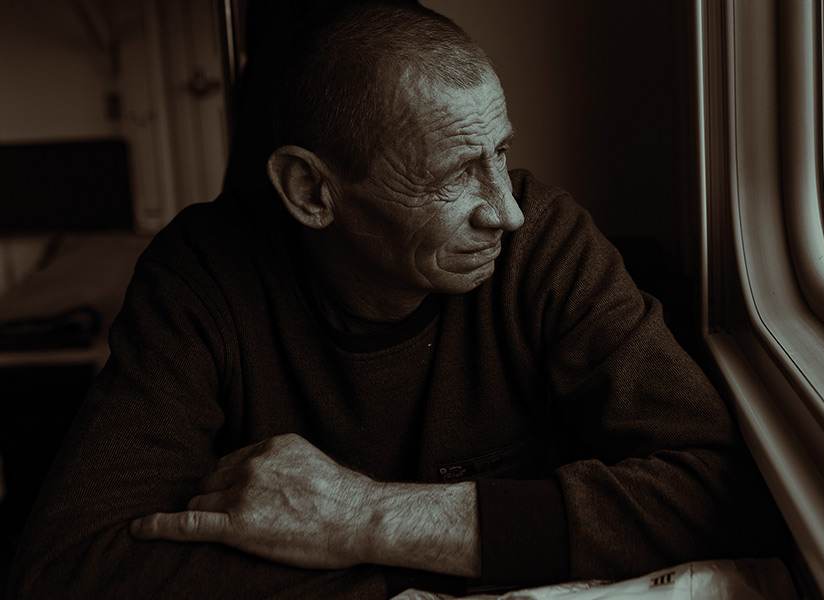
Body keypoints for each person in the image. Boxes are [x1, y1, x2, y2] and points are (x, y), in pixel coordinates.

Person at [8, 3, 782, 598]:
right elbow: (68, 569)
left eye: (501, 154)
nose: (504, 212)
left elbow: (720, 491)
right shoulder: (201, 275)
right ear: (311, 191)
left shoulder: (543, 240)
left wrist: (365, 519)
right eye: (454, 175)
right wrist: (457, 564)